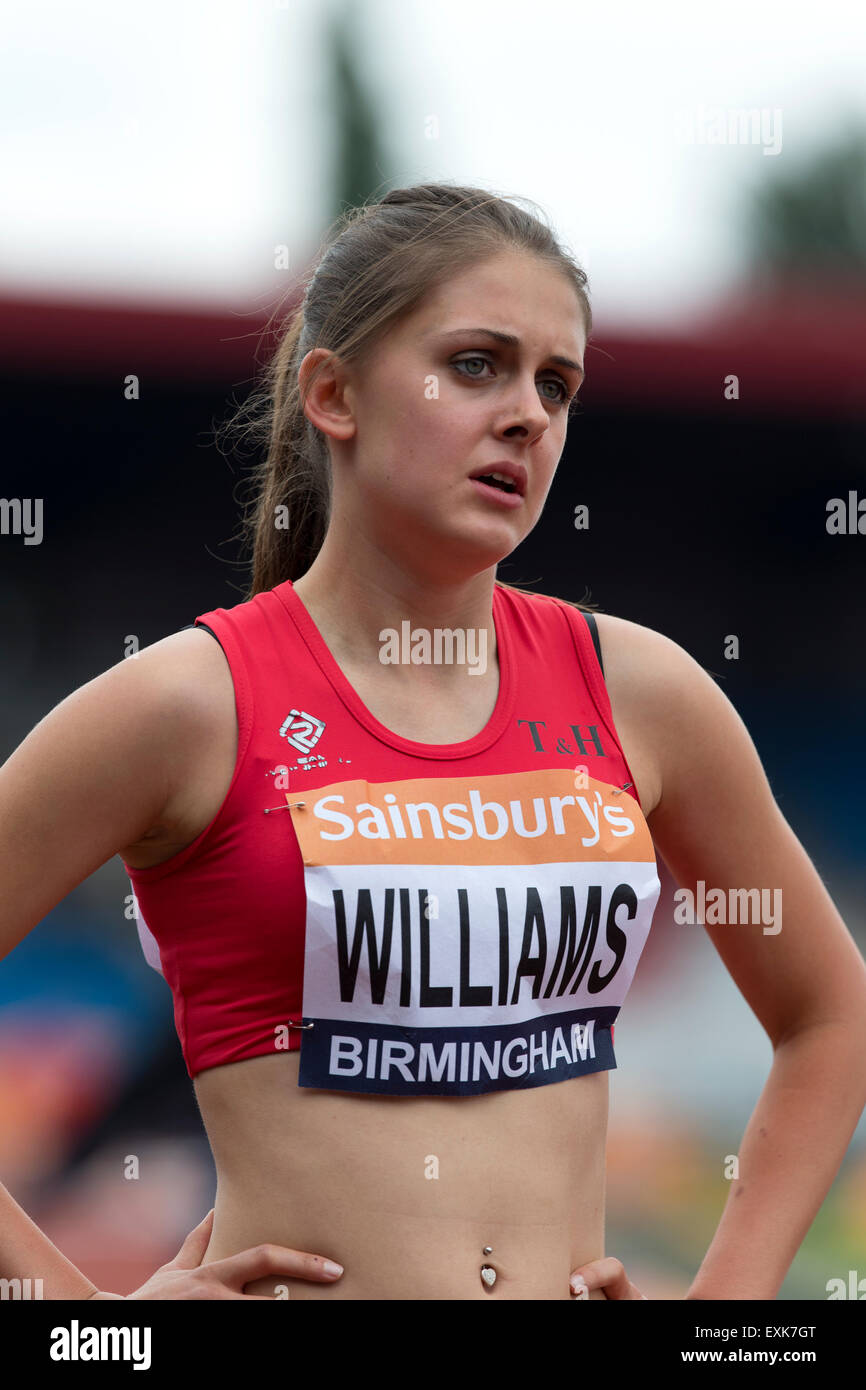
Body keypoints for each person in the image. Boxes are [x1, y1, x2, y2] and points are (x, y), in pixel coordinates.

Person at [2, 183, 865, 1302]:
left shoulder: (643, 692)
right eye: (475, 364)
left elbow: (827, 1011)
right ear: (333, 393)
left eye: (555, 384)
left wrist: (720, 1317)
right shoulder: (182, 704)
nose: (527, 416)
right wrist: (95, 1330)